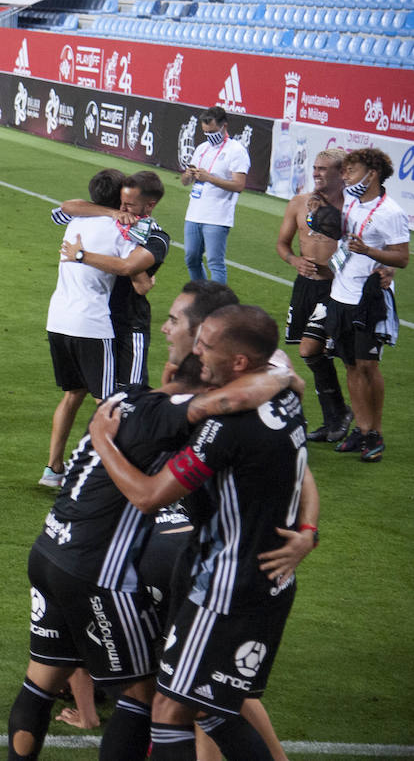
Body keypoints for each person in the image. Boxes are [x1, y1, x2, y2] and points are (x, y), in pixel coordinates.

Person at [7, 349, 310, 761]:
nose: (167, 331)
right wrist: (284, 377)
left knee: (42, 684)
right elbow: (151, 494)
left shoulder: (121, 399)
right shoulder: (189, 417)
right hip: (118, 570)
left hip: (50, 548)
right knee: (167, 701)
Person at [87, 305, 313, 761]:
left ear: (241, 363)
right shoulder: (285, 394)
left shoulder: (225, 427)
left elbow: (150, 497)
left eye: (207, 346)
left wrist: (102, 442)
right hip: (252, 580)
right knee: (202, 705)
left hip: (224, 588)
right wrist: (308, 530)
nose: (197, 351)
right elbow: (303, 474)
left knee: (180, 707)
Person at [41, 169, 137, 488]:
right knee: (108, 404)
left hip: (58, 319)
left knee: (73, 394)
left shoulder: (76, 220)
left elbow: (66, 206)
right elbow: (134, 274)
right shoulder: (119, 229)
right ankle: (113, 477)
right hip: (92, 324)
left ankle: (52, 470)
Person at [324, 147, 408, 463]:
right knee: (349, 364)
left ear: (371, 174)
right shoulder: (351, 202)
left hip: (369, 299)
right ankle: (360, 428)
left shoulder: (392, 212)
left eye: (351, 170)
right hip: (340, 294)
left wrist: (372, 253)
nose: (345, 175)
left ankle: (376, 433)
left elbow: (402, 257)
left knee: (368, 366)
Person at [57, 170, 171, 390]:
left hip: (130, 324)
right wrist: (110, 213)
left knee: (129, 395)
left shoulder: (155, 237)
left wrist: (82, 256)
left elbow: (136, 279)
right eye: (121, 202)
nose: (122, 208)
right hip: (100, 322)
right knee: (84, 393)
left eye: (128, 204)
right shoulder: (111, 218)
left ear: (149, 205)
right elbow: (67, 207)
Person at [275, 148, 353, 442]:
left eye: (323, 169)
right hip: (305, 285)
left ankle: (346, 416)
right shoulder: (298, 203)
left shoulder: (352, 207)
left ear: (341, 173)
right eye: (315, 168)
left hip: (338, 289)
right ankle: (335, 416)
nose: (317, 173)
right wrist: (295, 261)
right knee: (312, 353)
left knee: (312, 349)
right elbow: (283, 244)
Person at [181, 105, 250, 284]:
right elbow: (185, 181)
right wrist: (187, 176)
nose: (209, 135)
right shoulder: (202, 148)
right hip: (194, 213)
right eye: (205, 132)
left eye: (212, 131)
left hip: (217, 216)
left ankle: (219, 306)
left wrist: (209, 178)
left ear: (223, 126)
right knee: (191, 259)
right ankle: (201, 296)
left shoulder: (237, 151)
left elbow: (239, 185)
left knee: (215, 263)